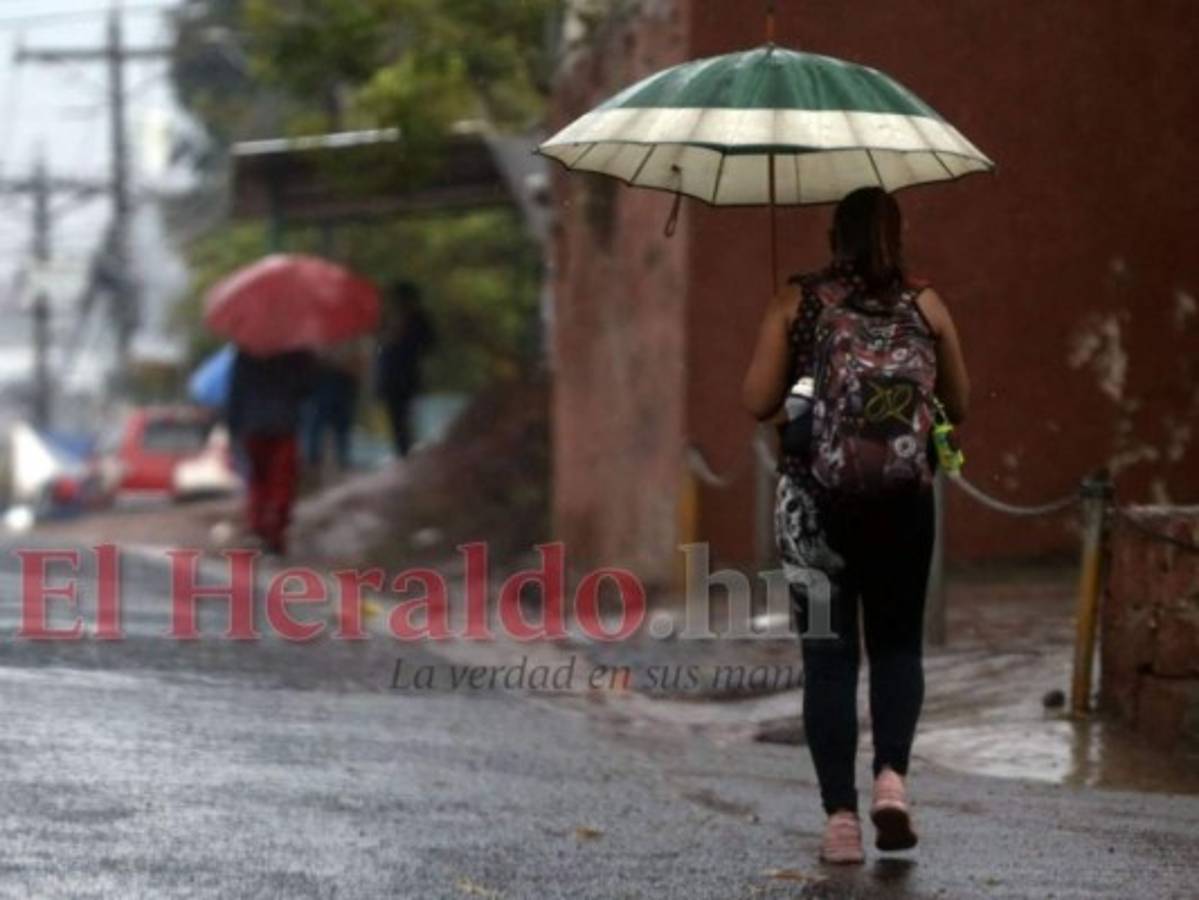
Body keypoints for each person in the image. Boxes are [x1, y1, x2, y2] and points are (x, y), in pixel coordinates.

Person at [741, 187, 970, 865]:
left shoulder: (798, 302)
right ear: (895, 236)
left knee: (829, 659)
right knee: (898, 648)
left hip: (815, 507)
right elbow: (955, 401)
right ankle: (891, 782)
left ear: (831, 233)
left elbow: (757, 403)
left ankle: (839, 821)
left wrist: (790, 351)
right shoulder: (925, 304)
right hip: (903, 501)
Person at [226, 348, 317, 555]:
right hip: (284, 425)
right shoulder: (296, 350)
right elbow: (307, 388)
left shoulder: (247, 350)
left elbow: (236, 391)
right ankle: (276, 532)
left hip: (254, 426)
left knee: (258, 479)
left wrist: (234, 426)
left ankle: (257, 527)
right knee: (282, 481)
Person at [375, 281, 436, 457]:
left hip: (407, 376)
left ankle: (408, 452)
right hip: (390, 378)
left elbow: (428, 344)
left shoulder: (418, 319)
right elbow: (379, 344)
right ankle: (402, 453)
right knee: (396, 419)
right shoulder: (387, 319)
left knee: (408, 416)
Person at [304, 339, 368, 472]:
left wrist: (340, 362)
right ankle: (313, 463)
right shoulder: (316, 340)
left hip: (343, 387)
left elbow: (359, 366)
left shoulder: (351, 341)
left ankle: (341, 462)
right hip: (323, 387)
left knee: (341, 428)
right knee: (316, 426)